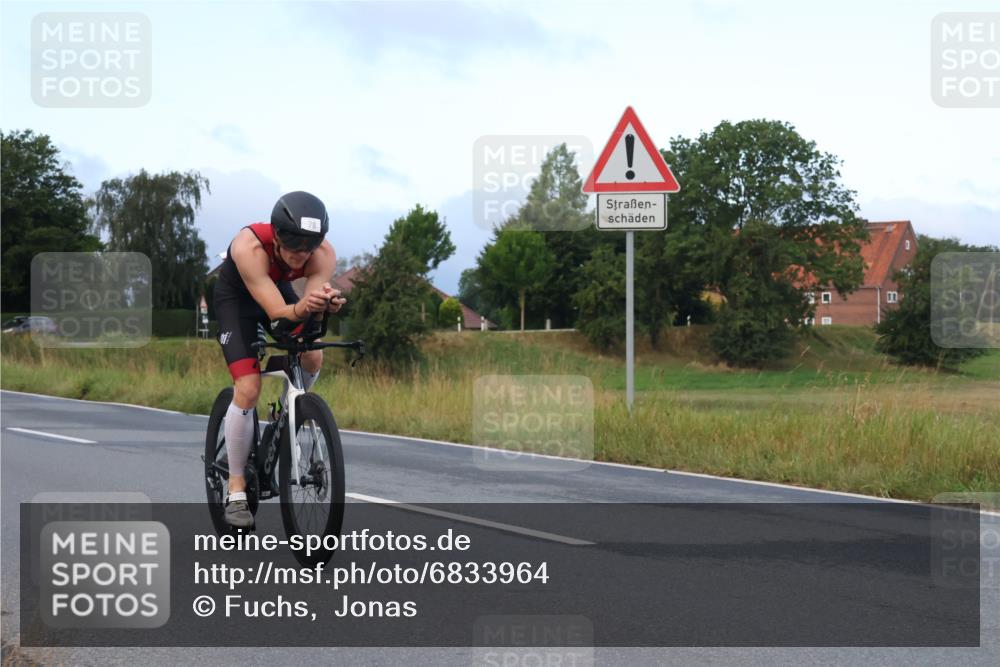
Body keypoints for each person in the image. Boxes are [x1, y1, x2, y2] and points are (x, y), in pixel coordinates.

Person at [213, 191, 346, 528]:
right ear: (276, 237)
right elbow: (277, 312)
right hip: (237, 301)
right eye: (293, 246)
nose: (300, 255)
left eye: (308, 247)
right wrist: (306, 307)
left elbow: (307, 310)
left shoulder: (323, 254)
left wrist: (323, 305)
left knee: (312, 355)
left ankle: (288, 411)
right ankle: (236, 490)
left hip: (275, 291)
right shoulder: (249, 247)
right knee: (248, 387)